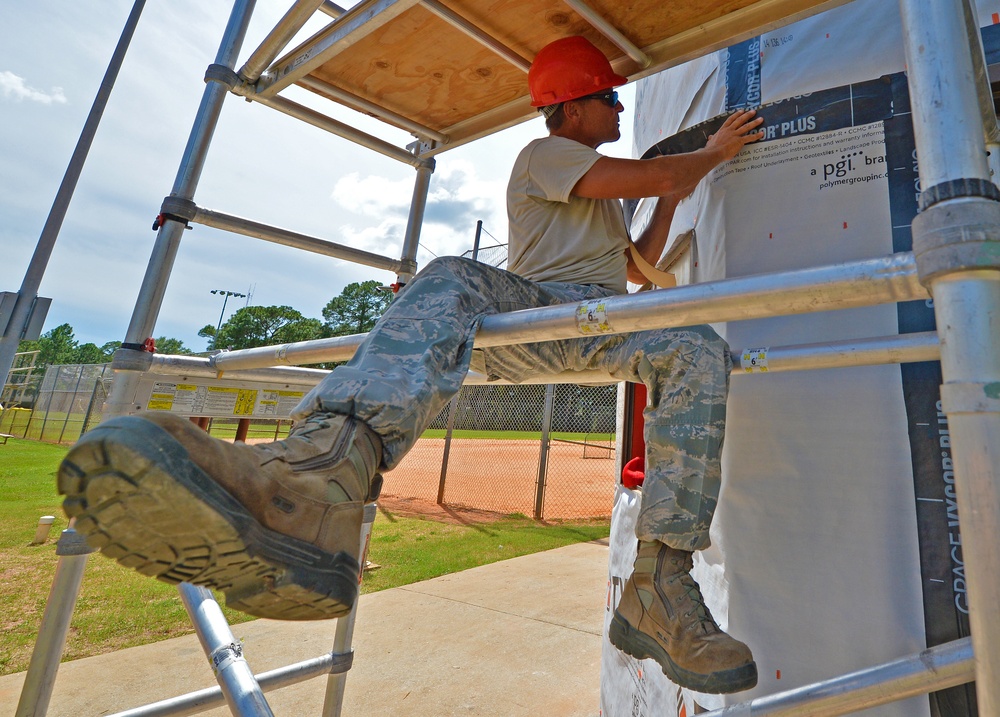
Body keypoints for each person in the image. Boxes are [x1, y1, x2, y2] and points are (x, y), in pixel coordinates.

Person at [58, 36, 763, 694]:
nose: (618, 107)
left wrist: (672, 196)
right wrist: (710, 153)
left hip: (594, 322)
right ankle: (323, 472)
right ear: (570, 110)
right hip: (532, 313)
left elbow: (639, 270)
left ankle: (660, 586)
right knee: (455, 273)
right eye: (609, 99)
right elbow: (657, 170)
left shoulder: (602, 195)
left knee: (695, 343)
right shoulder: (545, 157)